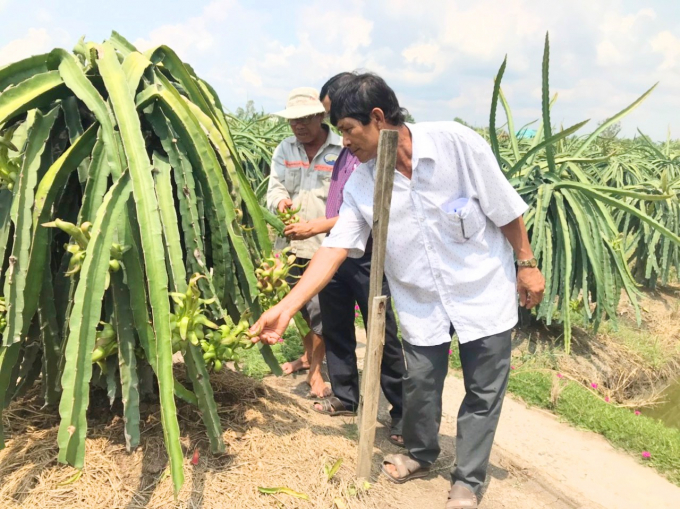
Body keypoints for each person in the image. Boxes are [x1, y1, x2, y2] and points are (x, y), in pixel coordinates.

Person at [253, 73, 546, 508]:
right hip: (421, 298)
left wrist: (526, 263)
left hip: (480, 288)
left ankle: (467, 479)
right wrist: (287, 305)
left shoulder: (456, 145)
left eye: (349, 131)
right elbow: (334, 249)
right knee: (421, 383)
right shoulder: (362, 182)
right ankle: (421, 453)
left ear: (377, 118)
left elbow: (504, 208)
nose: (345, 143)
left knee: (484, 390)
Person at [283, 73, 405, 445]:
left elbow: (367, 213)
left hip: (365, 252)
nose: (336, 127)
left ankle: (402, 412)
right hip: (334, 247)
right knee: (336, 325)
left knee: (381, 334)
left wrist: (318, 225)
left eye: (330, 112)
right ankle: (346, 395)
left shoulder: (364, 151)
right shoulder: (349, 147)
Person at [266, 87, 343, 398]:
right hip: (288, 245)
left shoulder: (341, 150)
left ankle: (314, 372)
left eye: (303, 120)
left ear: (320, 116)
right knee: (296, 307)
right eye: (292, 121)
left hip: (324, 245)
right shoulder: (286, 149)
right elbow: (274, 188)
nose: (297, 127)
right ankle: (307, 357)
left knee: (319, 311)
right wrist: (281, 203)